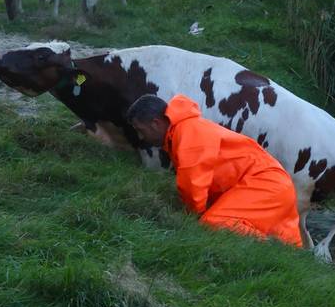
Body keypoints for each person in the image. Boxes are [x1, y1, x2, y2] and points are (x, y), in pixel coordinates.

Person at [126, 93, 303, 247]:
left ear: (155, 123)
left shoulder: (187, 132)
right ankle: (279, 251)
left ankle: (270, 248)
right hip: (271, 183)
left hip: (265, 182)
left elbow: (192, 185)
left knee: (214, 222)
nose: (141, 137)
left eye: (140, 130)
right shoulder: (185, 130)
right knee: (287, 244)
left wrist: (191, 218)